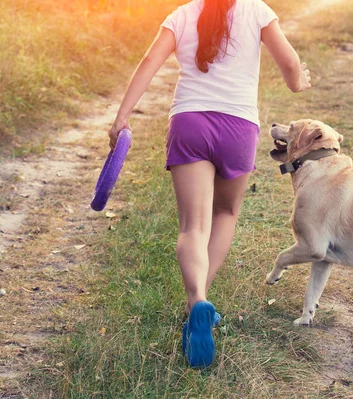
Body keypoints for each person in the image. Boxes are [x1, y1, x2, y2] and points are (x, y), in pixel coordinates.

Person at [107, 0, 311, 368]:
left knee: (192, 226)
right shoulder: (256, 11)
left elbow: (150, 62)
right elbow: (292, 65)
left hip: (190, 123)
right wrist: (299, 83)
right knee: (225, 213)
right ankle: (198, 305)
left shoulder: (181, 15)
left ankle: (197, 300)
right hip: (238, 127)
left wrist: (122, 117)